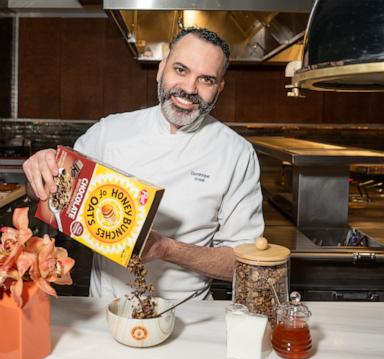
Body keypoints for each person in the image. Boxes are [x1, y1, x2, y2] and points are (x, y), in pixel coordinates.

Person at [23, 27, 264, 300]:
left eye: (206, 80)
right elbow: (49, 198)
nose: (189, 89)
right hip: (106, 309)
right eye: (181, 70)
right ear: (161, 69)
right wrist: (39, 174)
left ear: (219, 88)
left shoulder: (236, 153)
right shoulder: (109, 132)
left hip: (189, 313)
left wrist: (167, 249)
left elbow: (245, 263)